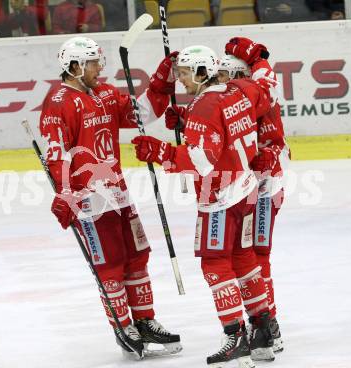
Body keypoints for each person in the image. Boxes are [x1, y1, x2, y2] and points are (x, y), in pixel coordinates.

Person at [132, 45, 276, 367]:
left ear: (201, 73)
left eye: (184, 73)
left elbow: (202, 163)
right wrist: (186, 119)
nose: (180, 80)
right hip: (247, 189)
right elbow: (255, 103)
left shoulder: (203, 107)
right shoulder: (239, 91)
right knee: (243, 259)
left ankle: (235, 337)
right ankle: (262, 331)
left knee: (214, 264)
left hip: (219, 197)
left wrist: (160, 152)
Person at [39, 36, 182, 359]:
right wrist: (65, 193)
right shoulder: (59, 101)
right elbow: (56, 152)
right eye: (93, 63)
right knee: (111, 263)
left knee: (136, 256)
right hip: (89, 198)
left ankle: (144, 320)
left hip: (117, 191)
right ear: (74, 66)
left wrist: (161, 83)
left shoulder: (103, 93)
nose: (99, 68)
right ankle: (123, 325)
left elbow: (138, 115)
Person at [222, 37, 292, 354]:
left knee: (257, 254)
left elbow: (267, 85)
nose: (221, 83)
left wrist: (260, 57)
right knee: (245, 255)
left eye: (227, 77)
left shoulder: (258, 91)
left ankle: (268, 325)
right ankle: (262, 321)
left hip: (267, 183)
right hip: (244, 184)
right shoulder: (233, 98)